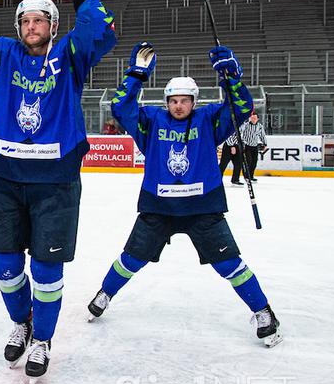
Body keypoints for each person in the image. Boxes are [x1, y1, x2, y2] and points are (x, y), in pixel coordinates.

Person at [0, 0, 117, 383]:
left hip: (54, 183)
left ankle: (42, 337)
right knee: (4, 265)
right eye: (24, 20)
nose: (30, 26)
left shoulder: (69, 57)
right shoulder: (4, 55)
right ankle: (22, 322)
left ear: (53, 25)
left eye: (38, 19)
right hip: (6, 179)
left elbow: (100, 26)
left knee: (45, 269)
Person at [86, 43, 281, 347]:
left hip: (203, 210)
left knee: (229, 264)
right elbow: (120, 108)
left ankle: (264, 311)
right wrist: (136, 74)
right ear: (166, 102)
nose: (178, 106)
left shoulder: (210, 120)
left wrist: (231, 76)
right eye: (173, 101)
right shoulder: (150, 122)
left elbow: (242, 107)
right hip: (158, 208)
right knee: (131, 260)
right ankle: (105, 293)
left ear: (194, 101)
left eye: (184, 100)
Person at [238, 111, 267, 182]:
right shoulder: (246, 125)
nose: (253, 119)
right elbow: (240, 131)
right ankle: (247, 176)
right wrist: (242, 142)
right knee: (249, 161)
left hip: (254, 146)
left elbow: (262, 135)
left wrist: (265, 144)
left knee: (254, 162)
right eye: (252, 118)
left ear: (258, 119)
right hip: (247, 146)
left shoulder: (260, 126)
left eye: (254, 118)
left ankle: (251, 176)